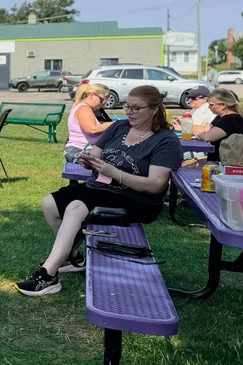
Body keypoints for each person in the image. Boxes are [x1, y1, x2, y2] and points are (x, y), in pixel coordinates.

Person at [16, 85, 182, 297]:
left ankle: (47, 276)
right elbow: (96, 154)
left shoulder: (165, 140)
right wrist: (89, 161)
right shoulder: (119, 128)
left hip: (137, 199)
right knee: (49, 203)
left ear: (153, 109)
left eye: (136, 108)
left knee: (76, 208)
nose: (129, 111)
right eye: (126, 106)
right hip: (100, 187)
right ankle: (73, 257)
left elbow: (156, 184)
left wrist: (114, 172)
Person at [193, 88, 243, 162]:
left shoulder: (230, 119)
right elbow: (206, 130)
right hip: (223, 160)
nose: (209, 107)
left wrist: (193, 131)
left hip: (227, 164)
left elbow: (207, 136)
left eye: (212, 105)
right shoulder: (222, 116)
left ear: (223, 105)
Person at [65, 84, 113, 158]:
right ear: (91, 96)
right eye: (102, 99)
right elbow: (92, 129)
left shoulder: (80, 106)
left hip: (81, 148)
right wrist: (115, 124)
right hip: (80, 149)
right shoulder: (84, 108)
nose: (104, 102)